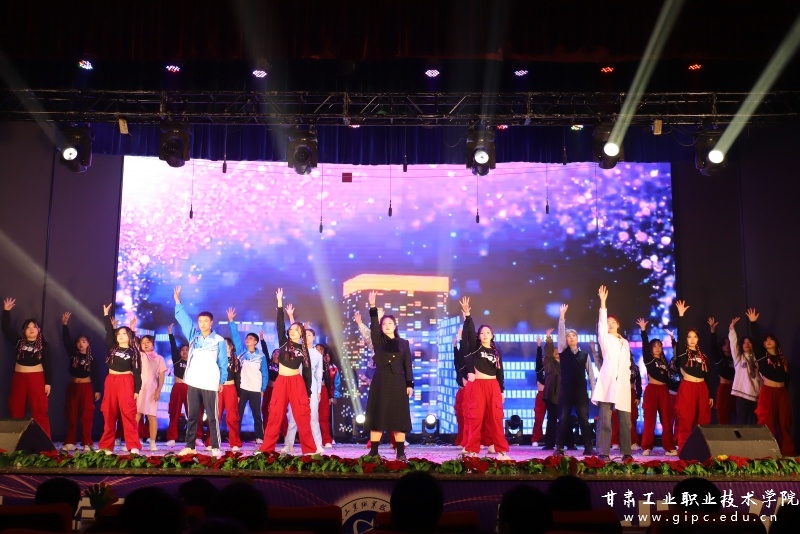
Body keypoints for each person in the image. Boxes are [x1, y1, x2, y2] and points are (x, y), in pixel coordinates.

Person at [173, 285, 228, 457]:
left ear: (211, 323)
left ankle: (215, 446)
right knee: (192, 416)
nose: (202, 324)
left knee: (212, 416)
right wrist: (178, 302)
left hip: (210, 382)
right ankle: (190, 446)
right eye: (200, 321)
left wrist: (221, 381)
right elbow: (184, 321)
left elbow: (223, 362)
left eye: (206, 321)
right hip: (194, 381)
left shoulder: (219, 340)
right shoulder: (193, 336)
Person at [260, 288, 316, 454]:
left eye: (296, 330)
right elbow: (279, 323)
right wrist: (279, 303)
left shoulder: (303, 350)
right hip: (281, 382)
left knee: (302, 417)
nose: (292, 332)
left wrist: (308, 392)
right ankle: (266, 448)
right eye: (290, 330)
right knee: (275, 414)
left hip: (297, 383)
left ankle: (309, 449)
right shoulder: (284, 343)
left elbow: (307, 372)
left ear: (301, 333)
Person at [458, 296, 510, 460]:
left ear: (492, 335)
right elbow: (468, 333)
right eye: (482, 333)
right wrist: (467, 316)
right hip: (478, 385)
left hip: (493, 386)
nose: (485, 335)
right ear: (478, 336)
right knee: (475, 417)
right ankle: (472, 449)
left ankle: (502, 451)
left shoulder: (496, 352)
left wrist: (502, 390)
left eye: (488, 332)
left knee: (496, 418)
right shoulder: (475, 348)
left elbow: (500, 373)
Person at [365, 290, 414, 461]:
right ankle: (374, 452)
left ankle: (400, 452)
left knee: (398, 418)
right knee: (378, 416)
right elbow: (373, 326)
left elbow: (407, 364)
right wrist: (373, 306)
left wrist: (409, 384)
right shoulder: (378, 341)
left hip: (398, 383)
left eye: (390, 323)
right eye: (384, 323)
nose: (387, 325)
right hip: (381, 382)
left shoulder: (404, 343)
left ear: (395, 326)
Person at [592, 285, 633, 461]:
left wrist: (628, 382)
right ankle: (603, 452)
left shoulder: (625, 342)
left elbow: (628, 364)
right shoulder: (605, 339)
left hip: (622, 384)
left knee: (625, 421)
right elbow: (601, 325)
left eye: (612, 322)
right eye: (607, 323)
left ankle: (626, 453)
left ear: (618, 325)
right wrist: (603, 303)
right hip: (607, 382)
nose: (609, 325)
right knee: (605, 419)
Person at [2, 298, 52, 438]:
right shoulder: (19, 342)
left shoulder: (44, 345)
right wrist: (6, 311)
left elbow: (48, 364)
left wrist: (48, 383)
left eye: (34, 327)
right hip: (19, 378)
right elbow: (6, 329)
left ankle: (44, 444)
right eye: (28, 328)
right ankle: (15, 443)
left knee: (40, 410)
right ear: (24, 331)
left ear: (38, 330)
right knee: (15, 409)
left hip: (37, 378)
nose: (31, 330)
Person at [98, 305, 142, 454]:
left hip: (126, 381)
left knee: (128, 413)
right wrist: (106, 315)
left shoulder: (134, 352)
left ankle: (133, 445)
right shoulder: (112, 348)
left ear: (130, 337)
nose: (121, 335)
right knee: (109, 413)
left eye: (124, 333)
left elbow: (137, 372)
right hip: (111, 380)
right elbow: (108, 332)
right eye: (119, 333)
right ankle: (106, 446)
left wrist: (137, 390)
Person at [750, 308, 795, 456]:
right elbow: (756, 340)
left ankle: (788, 454)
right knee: (766, 422)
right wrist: (753, 323)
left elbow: (787, 378)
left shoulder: (783, 360)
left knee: (784, 423)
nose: (768, 341)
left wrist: (784, 392)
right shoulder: (762, 356)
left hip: (782, 393)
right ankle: (765, 455)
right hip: (768, 392)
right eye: (766, 340)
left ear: (776, 342)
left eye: (771, 339)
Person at [281, 305, 325, 454]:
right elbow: (293, 331)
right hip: (295, 384)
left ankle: (317, 444)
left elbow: (318, 375)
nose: (307, 337)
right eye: (305, 335)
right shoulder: (297, 349)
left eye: (310, 335)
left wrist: (318, 392)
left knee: (313, 417)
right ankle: (289, 444)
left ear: (314, 338)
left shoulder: (317, 355)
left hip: (311, 387)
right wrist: (291, 316)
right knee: (293, 417)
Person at [671, 299, 713, 450]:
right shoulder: (683, 352)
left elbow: (708, 376)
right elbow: (681, 335)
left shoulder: (703, 356)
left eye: (694, 336)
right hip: (688, 386)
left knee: (702, 420)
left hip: (702, 387)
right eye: (689, 337)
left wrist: (711, 395)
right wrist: (681, 315)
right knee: (685, 418)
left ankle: (701, 450)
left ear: (698, 339)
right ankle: (684, 450)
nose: (692, 339)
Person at [554, 304, 596, 457]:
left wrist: (594, 392)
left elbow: (591, 375)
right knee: (563, 419)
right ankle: (559, 447)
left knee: (584, 419)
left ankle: (588, 447)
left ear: (577, 339)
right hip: (566, 391)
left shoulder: (584, 355)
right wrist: (562, 317)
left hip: (580, 392)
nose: (571, 337)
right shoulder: (562, 351)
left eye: (574, 336)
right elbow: (560, 334)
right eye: (568, 336)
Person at [61, 311, 101, 451]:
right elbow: (66, 341)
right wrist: (65, 325)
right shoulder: (73, 355)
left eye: (84, 341)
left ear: (88, 344)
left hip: (86, 388)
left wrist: (97, 390)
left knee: (87, 415)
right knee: (71, 414)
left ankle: (86, 442)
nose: (81, 344)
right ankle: (70, 441)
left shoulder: (92, 359)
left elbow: (96, 375)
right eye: (78, 341)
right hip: (73, 387)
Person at [228, 307, 266, 447]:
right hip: (242, 388)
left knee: (257, 414)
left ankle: (259, 437)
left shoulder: (261, 356)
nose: (247, 340)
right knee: (238, 413)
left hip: (255, 389)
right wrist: (231, 321)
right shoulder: (242, 353)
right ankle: (235, 437)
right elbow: (235, 336)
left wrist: (262, 388)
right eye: (247, 338)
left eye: (250, 338)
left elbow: (265, 373)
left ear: (255, 341)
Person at [638, 318, 677, 456]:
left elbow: (676, 356)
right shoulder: (649, 360)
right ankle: (647, 446)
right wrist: (643, 330)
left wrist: (673, 339)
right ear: (651, 348)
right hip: (652, 390)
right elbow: (644, 345)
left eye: (659, 346)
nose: (658, 348)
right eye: (655, 346)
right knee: (650, 419)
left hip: (664, 391)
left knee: (666, 419)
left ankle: (669, 447)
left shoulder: (665, 362)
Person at [136, 331, 166, 451]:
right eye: (143, 342)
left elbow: (162, 377)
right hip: (138, 389)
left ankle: (152, 442)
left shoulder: (159, 358)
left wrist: (158, 390)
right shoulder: (138, 355)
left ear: (153, 344)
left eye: (148, 342)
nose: (145, 344)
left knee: (151, 416)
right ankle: (134, 441)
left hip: (152, 390)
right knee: (136, 415)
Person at [729, 315, 761, 425]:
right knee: (741, 424)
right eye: (744, 342)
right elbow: (733, 345)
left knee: (756, 425)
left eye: (749, 342)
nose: (746, 344)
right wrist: (732, 329)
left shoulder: (758, 359)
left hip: (756, 396)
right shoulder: (739, 358)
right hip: (742, 395)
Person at [165, 322, 192, 447]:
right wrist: (170, 334)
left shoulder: (193, 362)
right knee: (174, 412)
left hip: (189, 388)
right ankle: (172, 438)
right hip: (177, 387)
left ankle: (195, 438)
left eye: (187, 350)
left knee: (192, 414)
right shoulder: (177, 360)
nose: (184, 352)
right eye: (182, 350)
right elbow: (173, 346)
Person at [708, 316, 735, 424]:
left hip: (735, 388)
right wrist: (712, 331)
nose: (727, 346)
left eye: (729, 343)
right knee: (723, 415)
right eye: (725, 344)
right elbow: (713, 348)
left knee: (735, 415)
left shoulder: (736, 358)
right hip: (724, 388)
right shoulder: (719, 358)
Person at [317, 343, 341, 448]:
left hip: (323, 390)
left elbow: (333, 383)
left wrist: (332, 396)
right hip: (311, 390)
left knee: (324, 416)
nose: (318, 351)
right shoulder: (309, 362)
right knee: (311, 417)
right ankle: (313, 439)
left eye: (321, 349)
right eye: (317, 349)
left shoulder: (331, 367)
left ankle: (327, 439)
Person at [531, 330, 547, 447]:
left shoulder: (554, 368)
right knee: (538, 418)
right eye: (542, 358)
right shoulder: (539, 369)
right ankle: (535, 438)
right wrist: (539, 346)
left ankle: (552, 439)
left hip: (552, 395)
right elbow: (538, 359)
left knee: (553, 418)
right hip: (541, 395)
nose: (543, 359)